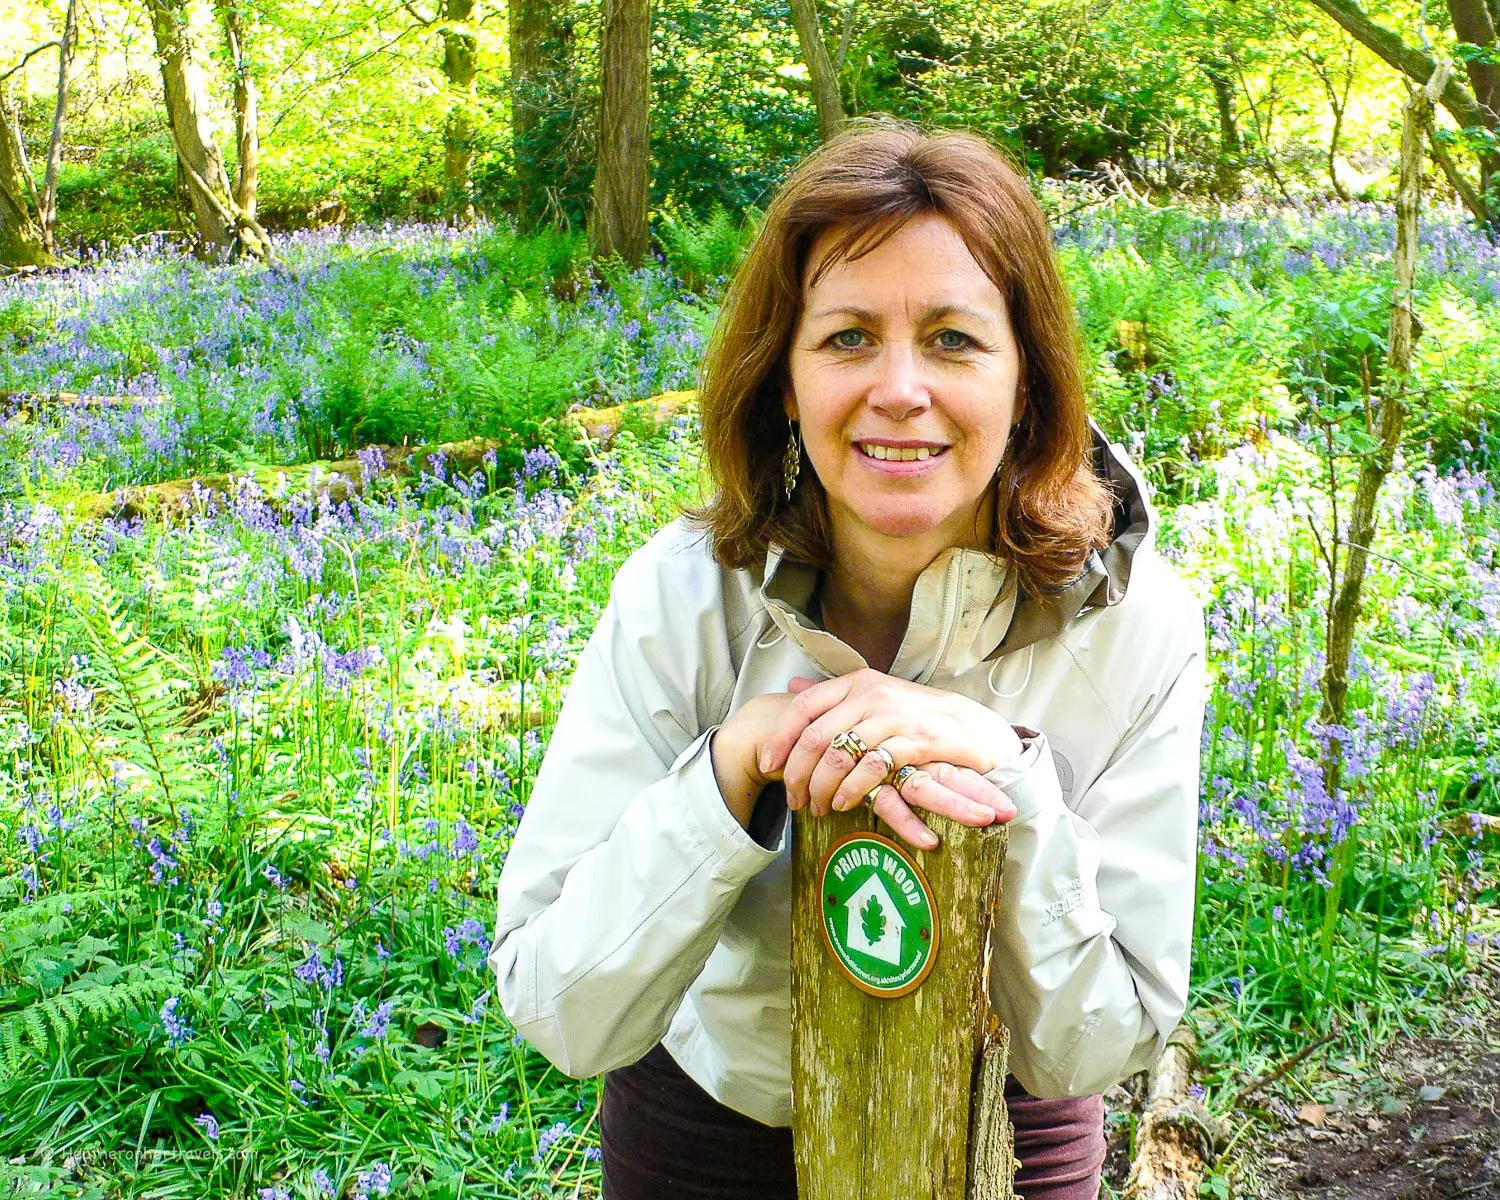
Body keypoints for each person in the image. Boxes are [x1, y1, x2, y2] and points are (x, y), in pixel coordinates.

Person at [487, 119, 1206, 1200]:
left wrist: (1012, 789)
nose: (901, 389)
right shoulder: (681, 599)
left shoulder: (1132, 624)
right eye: (847, 338)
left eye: (956, 340)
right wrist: (727, 779)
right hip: (714, 1131)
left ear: (1029, 383)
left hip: (1002, 1130)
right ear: (783, 377)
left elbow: (1102, 1046)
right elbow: (560, 1006)